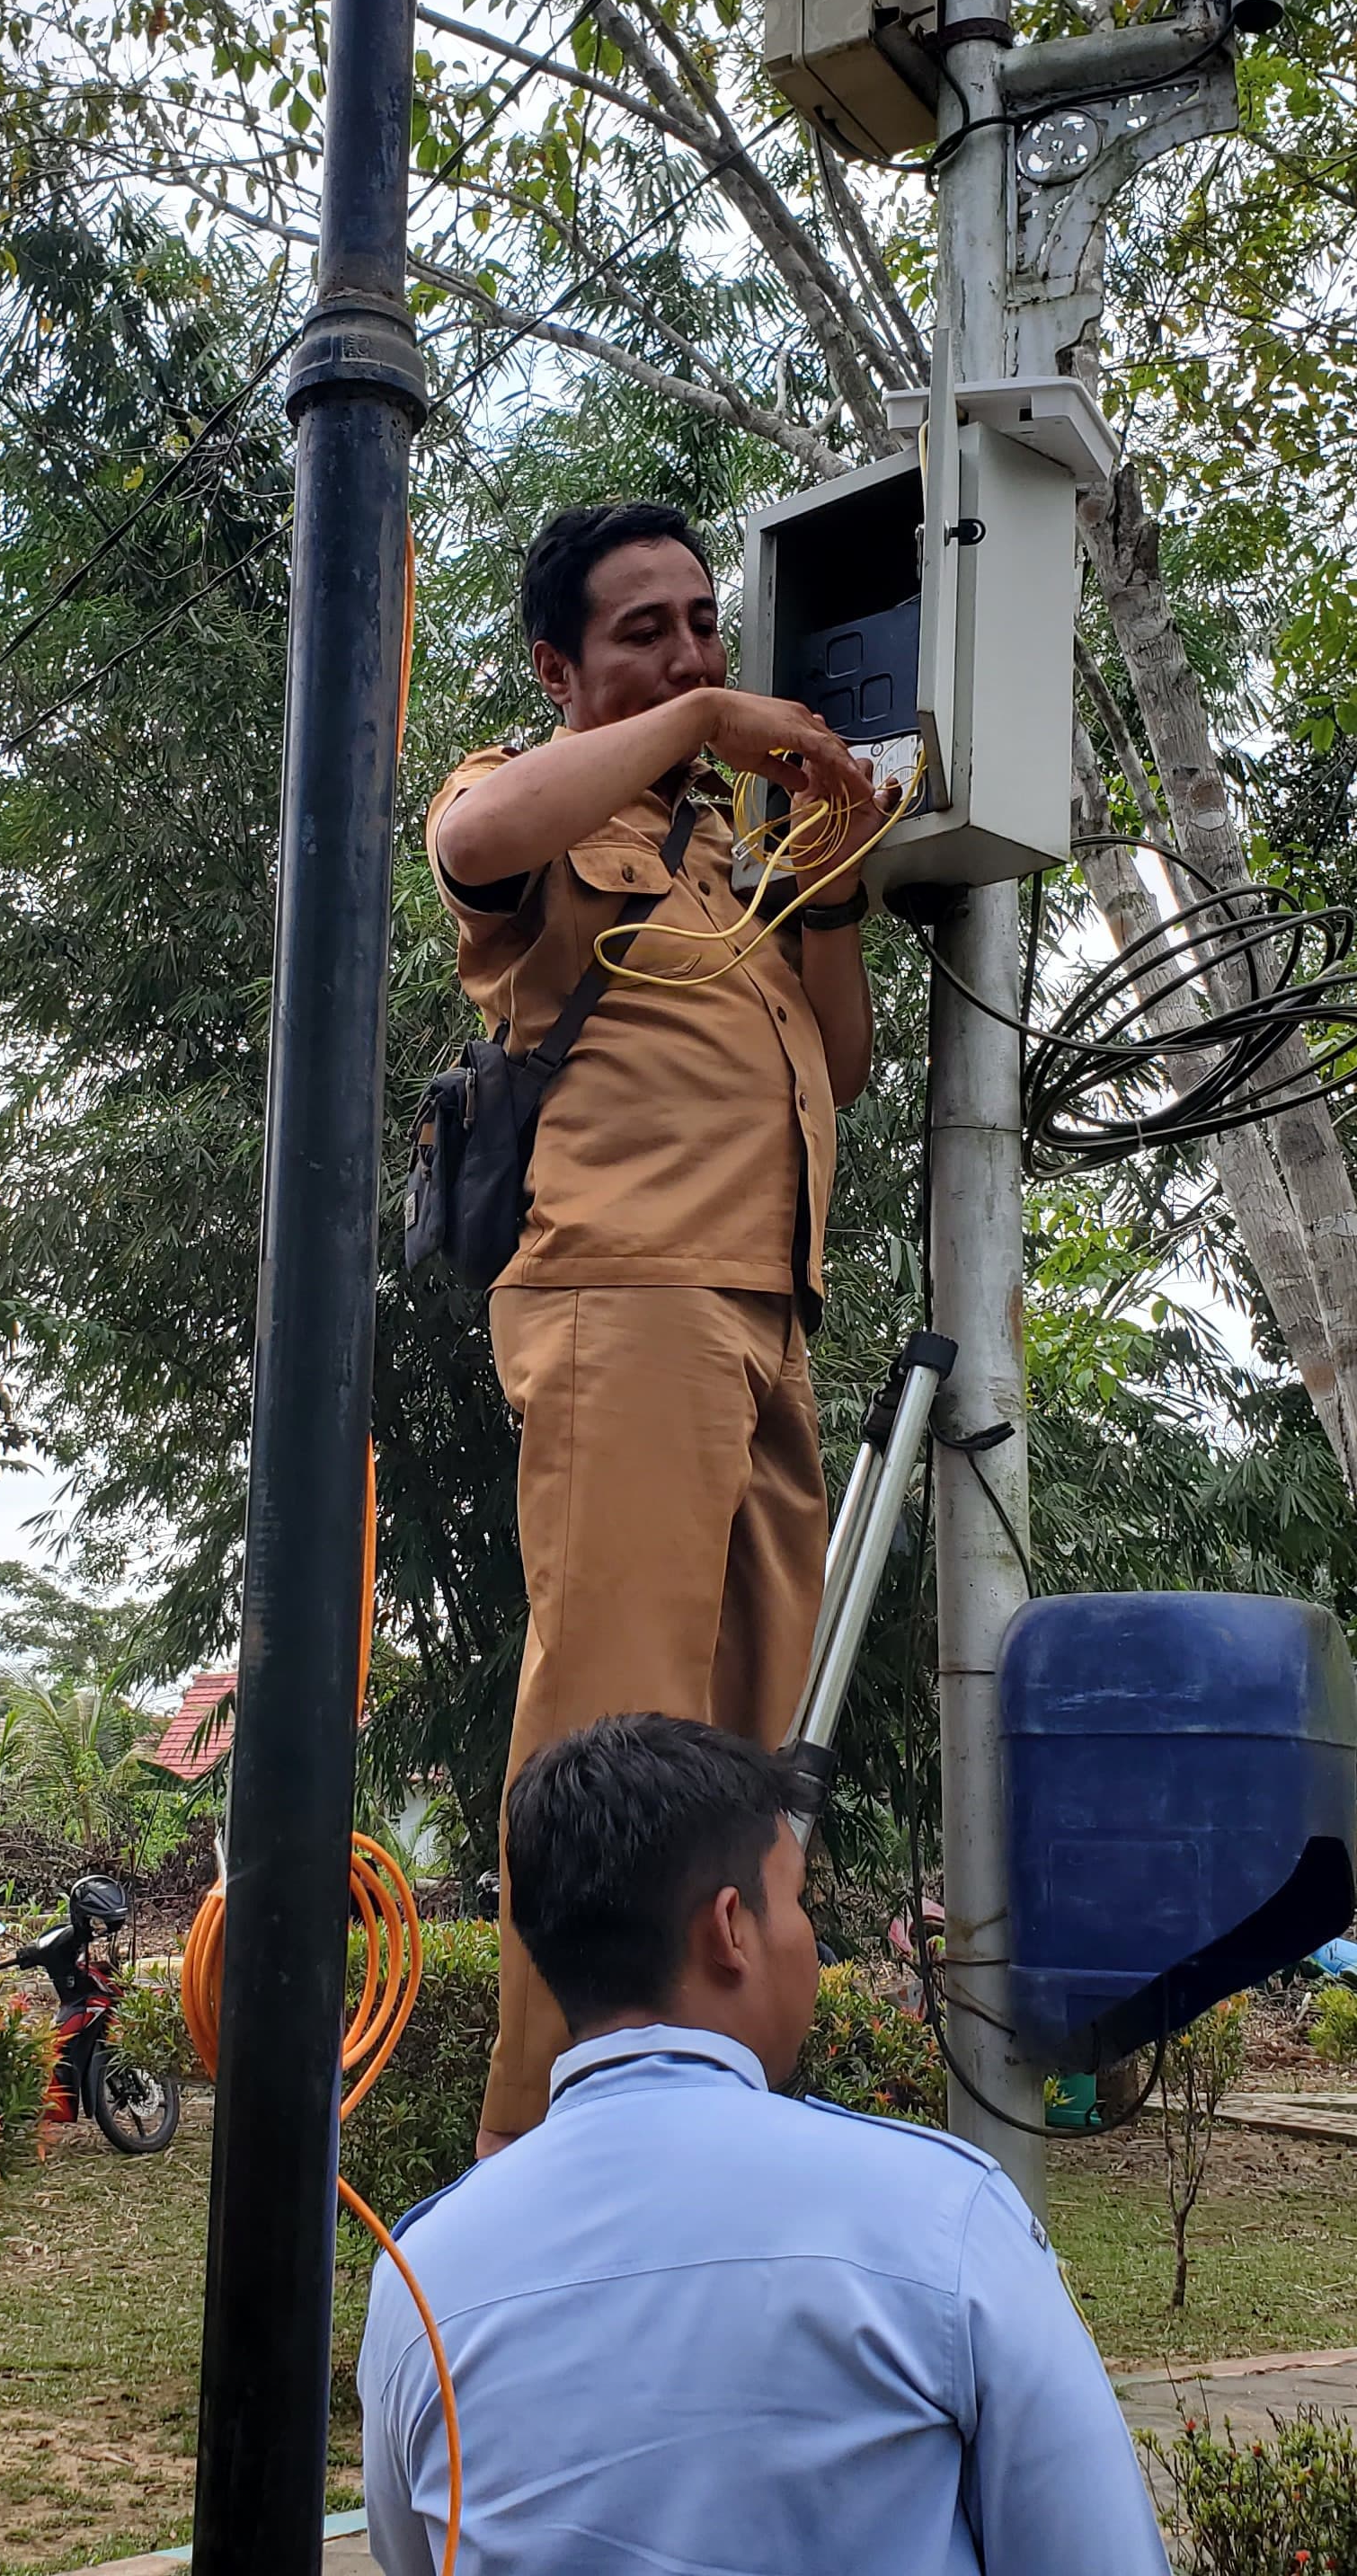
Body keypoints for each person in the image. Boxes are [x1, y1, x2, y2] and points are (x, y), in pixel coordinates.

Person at [427, 500, 883, 2151]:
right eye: (644, 631)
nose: (690, 652)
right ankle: (540, 2181)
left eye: (704, 624)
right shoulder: (538, 805)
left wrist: (823, 887)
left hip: (766, 1318)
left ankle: (717, 2162)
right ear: (559, 665)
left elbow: (832, 1068)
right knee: (610, 1749)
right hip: (622, 1303)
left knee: (750, 1772)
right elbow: (469, 848)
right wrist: (696, 722)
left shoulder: (719, 857)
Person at [357, 1714, 1168, 2576]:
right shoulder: (944, 2220)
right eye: (798, 1900)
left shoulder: (420, 2279)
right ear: (728, 1931)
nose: (809, 1944)